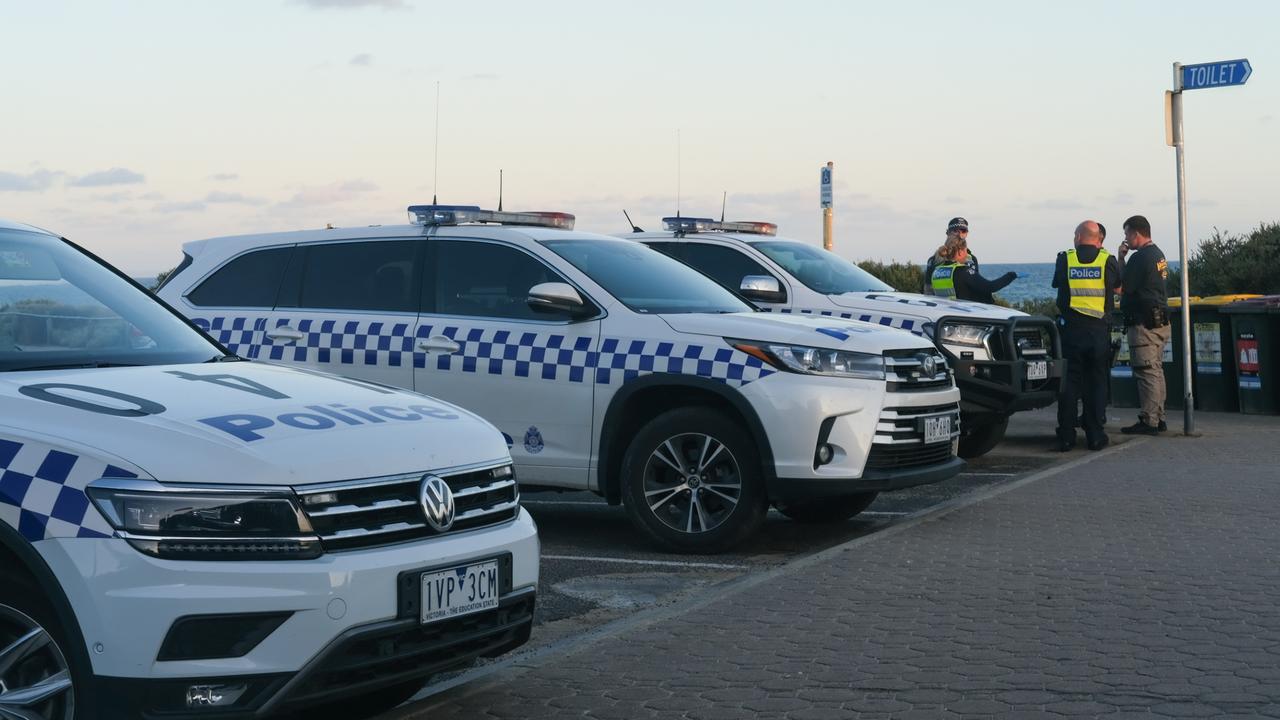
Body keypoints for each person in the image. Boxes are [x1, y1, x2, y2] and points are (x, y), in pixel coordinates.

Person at [1052, 220, 1122, 451]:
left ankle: (1066, 436)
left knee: (1069, 384)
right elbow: (1118, 288)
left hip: (1071, 332)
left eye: (1075, 234)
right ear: (1097, 238)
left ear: (1081, 236)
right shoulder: (1107, 260)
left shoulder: (1065, 259)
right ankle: (1094, 434)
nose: (1073, 238)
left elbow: (1057, 285)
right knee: (1096, 383)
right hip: (1098, 333)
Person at [1117, 214, 1170, 434]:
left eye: (1127, 233)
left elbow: (1122, 286)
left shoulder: (1140, 258)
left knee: (1146, 372)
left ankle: (1149, 421)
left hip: (1143, 324)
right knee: (1156, 370)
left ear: (1136, 233)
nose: (1126, 239)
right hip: (1159, 320)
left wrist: (1120, 259)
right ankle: (1159, 417)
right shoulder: (1158, 254)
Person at [929, 233, 1016, 304]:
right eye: (966, 251)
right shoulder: (963, 271)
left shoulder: (937, 271)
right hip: (967, 319)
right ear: (960, 251)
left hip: (948, 317)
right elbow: (990, 287)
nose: (967, 255)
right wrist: (1010, 276)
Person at [922, 217, 979, 295]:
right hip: (942, 305)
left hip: (966, 305)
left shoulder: (972, 259)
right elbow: (928, 290)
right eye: (955, 231)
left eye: (963, 231)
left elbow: (976, 286)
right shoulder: (934, 260)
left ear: (967, 233)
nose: (960, 234)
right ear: (948, 233)